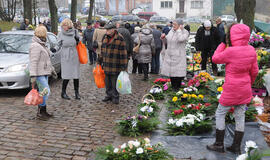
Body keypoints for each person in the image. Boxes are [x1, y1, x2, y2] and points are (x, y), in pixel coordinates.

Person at [206, 23, 259, 154]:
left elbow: (215, 58)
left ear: (232, 36)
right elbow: (255, 71)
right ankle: (236, 146)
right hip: (244, 88)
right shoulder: (251, 50)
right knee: (240, 116)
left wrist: (223, 44)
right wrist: (248, 83)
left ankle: (219, 144)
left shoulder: (230, 51)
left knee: (220, 113)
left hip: (231, 88)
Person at [29, 26, 57, 120]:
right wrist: (33, 75)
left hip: (44, 72)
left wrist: (52, 70)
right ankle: (41, 111)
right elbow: (33, 61)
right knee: (46, 92)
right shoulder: (35, 46)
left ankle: (42, 111)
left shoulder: (42, 44)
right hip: (39, 73)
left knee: (43, 92)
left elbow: (47, 60)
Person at [99, 22, 128, 104]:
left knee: (114, 82)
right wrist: (99, 61)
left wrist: (124, 66)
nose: (106, 31)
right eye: (106, 29)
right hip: (106, 64)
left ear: (113, 30)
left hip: (116, 64)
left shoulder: (119, 38)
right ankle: (108, 95)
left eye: (108, 29)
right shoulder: (105, 37)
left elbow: (123, 53)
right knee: (107, 82)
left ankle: (115, 96)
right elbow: (102, 50)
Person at [160, 19, 189, 91]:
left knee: (178, 74)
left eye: (175, 24)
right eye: (173, 24)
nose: (173, 26)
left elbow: (181, 39)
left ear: (180, 25)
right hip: (170, 55)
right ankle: (173, 87)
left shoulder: (185, 32)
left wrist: (179, 30)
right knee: (171, 73)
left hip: (179, 55)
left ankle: (177, 87)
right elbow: (167, 41)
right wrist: (163, 38)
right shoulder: (171, 31)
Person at [58, 18, 81, 100]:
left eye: (65, 25)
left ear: (69, 25)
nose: (63, 26)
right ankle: (63, 92)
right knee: (66, 75)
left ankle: (77, 93)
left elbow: (80, 42)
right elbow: (58, 44)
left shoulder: (75, 32)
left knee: (76, 74)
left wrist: (78, 40)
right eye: (63, 25)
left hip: (74, 54)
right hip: (65, 55)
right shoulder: (61, 34)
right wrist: (54, 49)